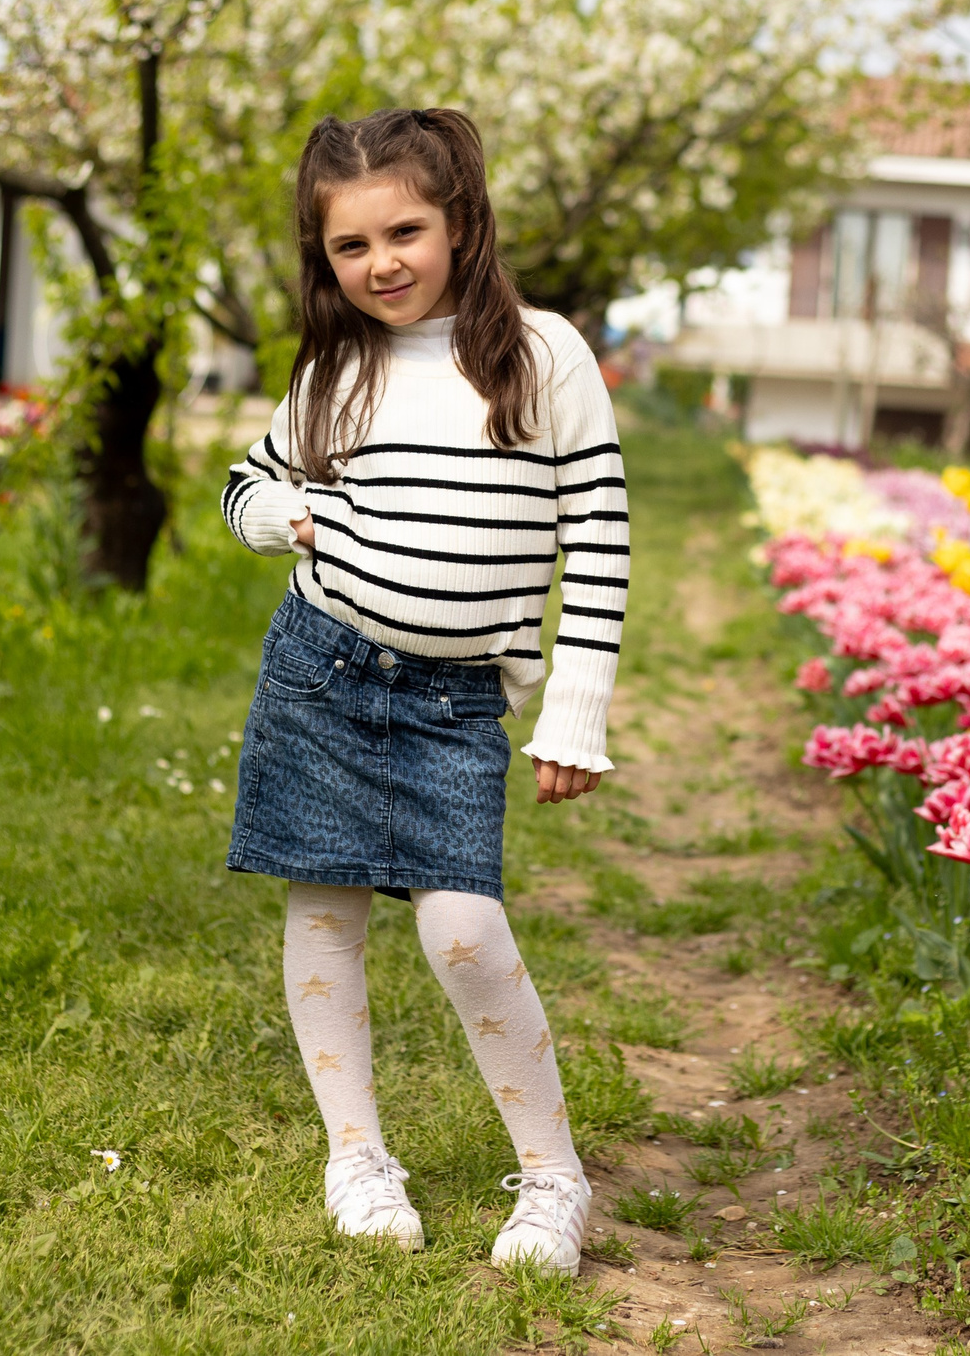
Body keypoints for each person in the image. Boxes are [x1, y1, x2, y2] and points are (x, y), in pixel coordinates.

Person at [220, 107, 625, 1275]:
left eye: (405, 230)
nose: (382, 263)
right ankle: (356, 1155)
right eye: (351, 247)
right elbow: (250, 479)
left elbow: (594, 539)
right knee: (324, 914)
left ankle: (553, 1178)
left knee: (462, 931)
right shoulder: (336, 367)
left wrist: (574, 711)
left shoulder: (539, 357)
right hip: (322, 671)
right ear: (322, 258)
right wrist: (273, 516)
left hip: (453, 705)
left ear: (461, 222)